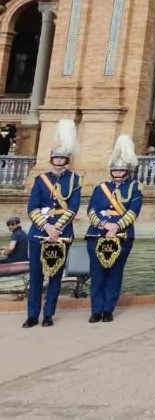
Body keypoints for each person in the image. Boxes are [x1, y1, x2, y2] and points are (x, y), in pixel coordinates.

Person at [22, 120, 81, 328]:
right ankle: (32, 315)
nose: (58, 161)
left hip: (61, 233)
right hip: (40, 232)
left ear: (66, 160)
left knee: (56, 274)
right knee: (36, 275)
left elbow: (73, 208)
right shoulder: (40, 180)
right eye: (56, 157)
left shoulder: (74, 180)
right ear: (51, 159)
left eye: (62, 158)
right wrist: (46, 227)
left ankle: (48, 314)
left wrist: (57, 229)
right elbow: (32, 207)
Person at [86, 135, 143, 323]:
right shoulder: (100, 188)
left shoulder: (134, 189)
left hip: (122, 236)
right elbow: (92, 210)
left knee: (115, 273)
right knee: (97, 274)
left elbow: (133, 211)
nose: (117, 173)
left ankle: (108, 309)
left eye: (121, 170)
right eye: (115, 170)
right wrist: (104, 225)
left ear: (126, 171)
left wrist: (116, 226)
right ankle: (96, 310)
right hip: (97, 234)